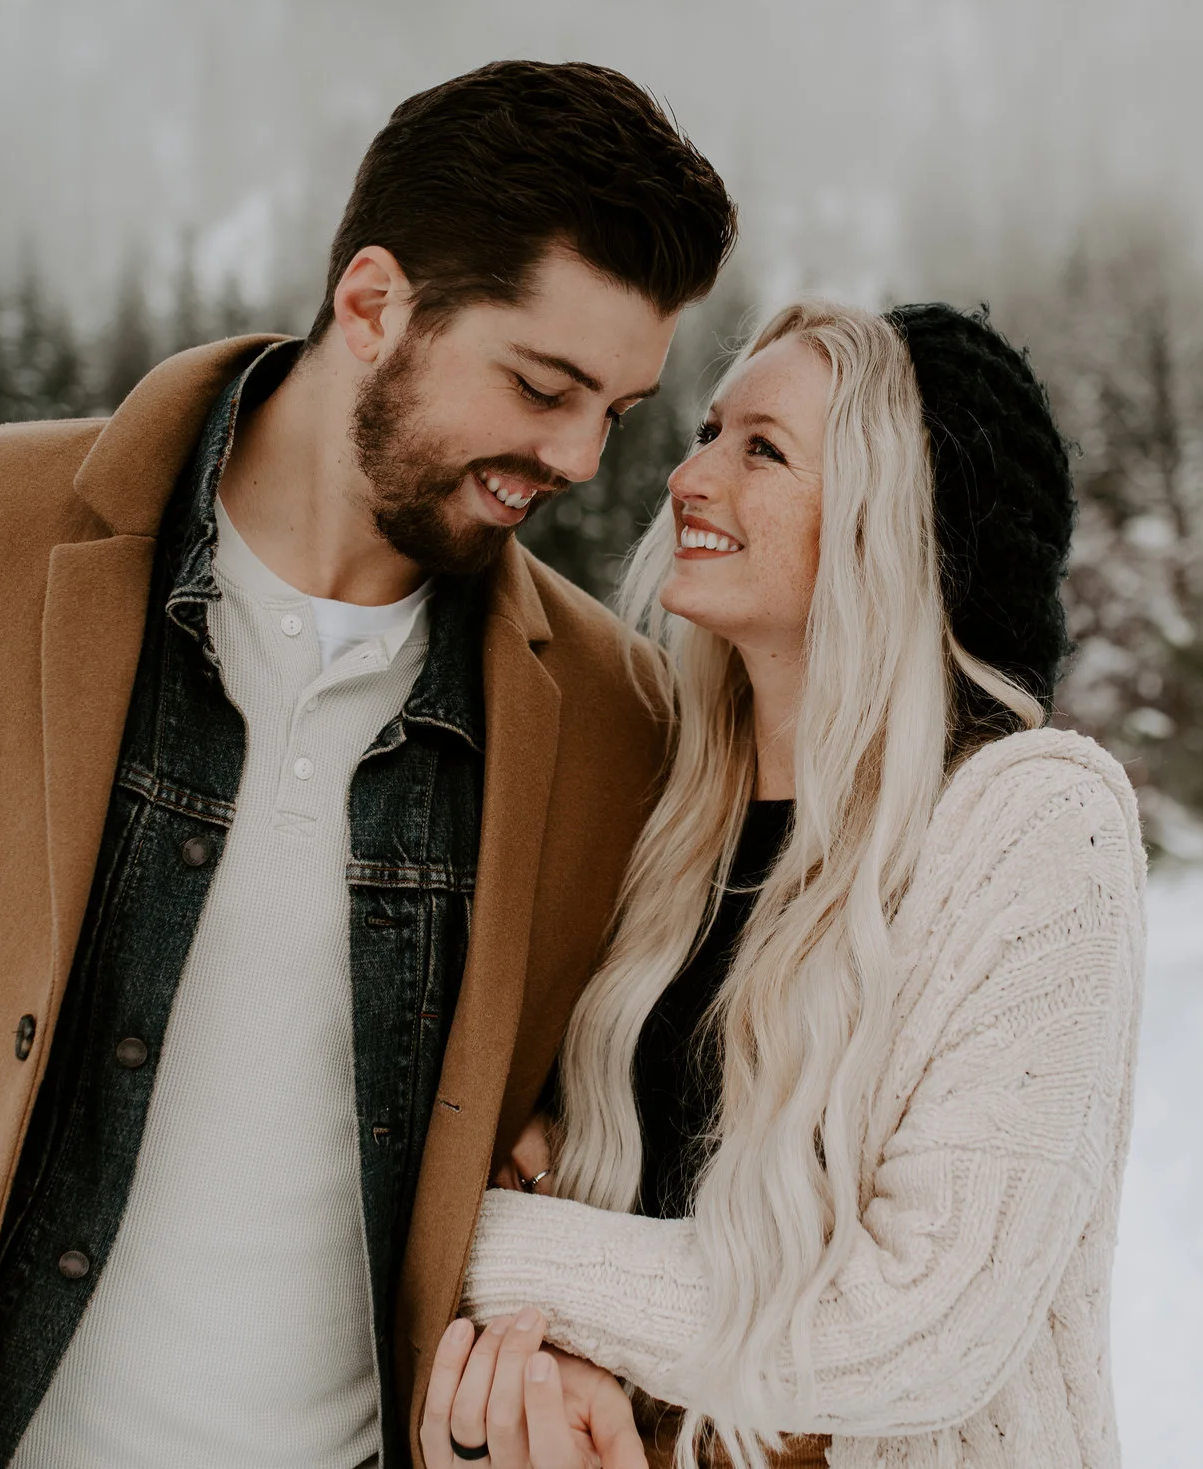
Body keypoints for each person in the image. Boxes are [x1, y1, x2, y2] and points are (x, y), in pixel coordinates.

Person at [0, 60, 732, 1469]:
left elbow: (652, 1096)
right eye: (543, 384)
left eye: (614, 411)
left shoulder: (617, 721)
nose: (575, 455)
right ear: (373, 304)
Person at [424, 301, 1146, 1469]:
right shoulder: (662, 821)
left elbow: (915, 1324)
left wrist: (469, 1238)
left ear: (897, 521)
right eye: (708, 431)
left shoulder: (1031, 823)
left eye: (761, 448)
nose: (686, 476)